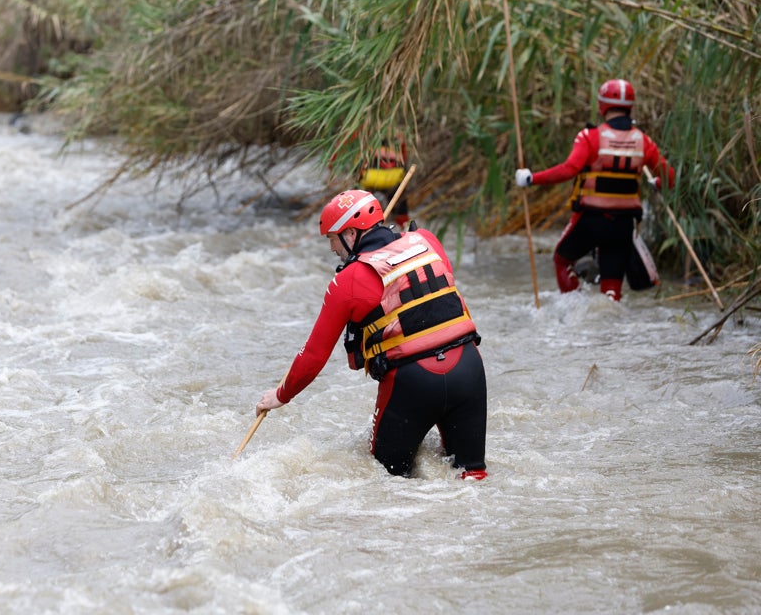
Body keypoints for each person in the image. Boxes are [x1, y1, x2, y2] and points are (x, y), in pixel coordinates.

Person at [254, 190, 488, 480]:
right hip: (468, 368)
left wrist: (280, 395)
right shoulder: (427, 240)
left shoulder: (346, 281)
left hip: (411, 383)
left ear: (351, 234)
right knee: (472, 476)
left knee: (384, 480)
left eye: (332, 238)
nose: (331, 249)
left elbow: (314, 355)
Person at [514, 79, 675, 301]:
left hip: (591, 220)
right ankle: (607, 329)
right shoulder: (644, 141)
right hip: (623, 224)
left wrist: (532, 178)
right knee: (611, 288)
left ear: (602, 105)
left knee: (562, 260)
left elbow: (569, 169)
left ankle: (575, 309)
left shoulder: (590, 137)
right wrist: (657, 183)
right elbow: (670, 178)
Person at [358, 141, 410, 228]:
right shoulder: (398, 139)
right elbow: (403, 159)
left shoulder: (367, 137)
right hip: (391, 178)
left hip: (373, 178)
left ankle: (367, 222)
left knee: (365, 201)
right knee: (399, 201)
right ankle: (403, 223)